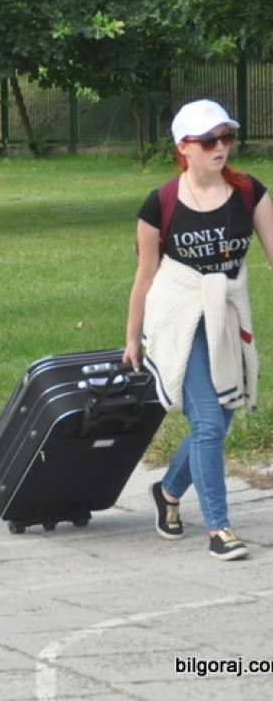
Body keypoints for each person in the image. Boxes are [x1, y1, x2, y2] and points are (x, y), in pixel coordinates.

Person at [123, 99, 273, 562]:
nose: (220, 147)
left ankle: (168, 491)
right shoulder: (161, 203)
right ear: (183, 147)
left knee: (221, 420)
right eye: (209, 140)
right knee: (208, 423)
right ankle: (219, 527)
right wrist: (132, 338)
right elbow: (146, 276)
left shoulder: (250, 192)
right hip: (180, 317)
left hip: (226, 316)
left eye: (226, 137)